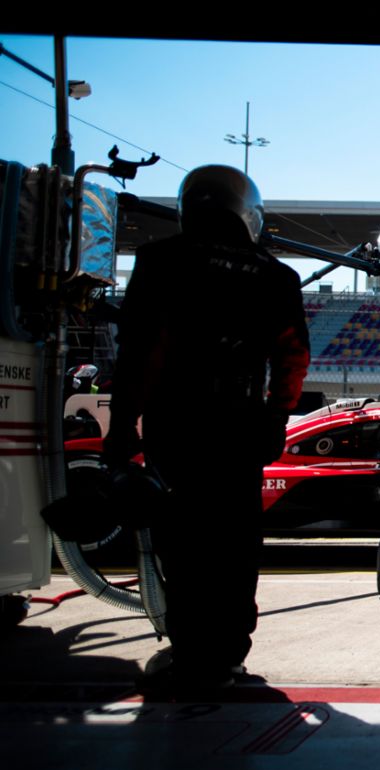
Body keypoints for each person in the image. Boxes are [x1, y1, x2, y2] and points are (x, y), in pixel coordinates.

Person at [103, 165, 310, 699]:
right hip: (241, 424)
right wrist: (276, 417)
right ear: (247, 213)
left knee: (183, 543)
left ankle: (191, 654)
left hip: (177, 422)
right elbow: (293, 359)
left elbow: (140, 352)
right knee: (236, 543)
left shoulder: (160, 259)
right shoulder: (277, 275)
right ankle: (230, 653)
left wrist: (123, 425)